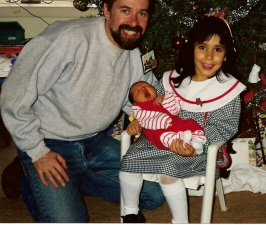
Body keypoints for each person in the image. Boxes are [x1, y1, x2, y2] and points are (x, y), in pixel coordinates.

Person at [0, 0, 165, 222]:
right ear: (106, 10)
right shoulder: (66, 39)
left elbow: (142, 98)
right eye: (125, 11)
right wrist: (37, 150)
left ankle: (69, 178)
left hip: (94, 141)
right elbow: (14, 94)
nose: (134, 22)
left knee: (153, 196)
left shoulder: (134, 49)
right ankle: (27, 171)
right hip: (49, 142)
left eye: (142, 13)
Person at [120, 15, 246, 223]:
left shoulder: (228, 89)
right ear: (192, 49)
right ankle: (130, 213)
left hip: (196, 146)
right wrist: (137, 121)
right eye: (203, 47)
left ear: (225, 55)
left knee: (168, 169)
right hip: (158, 140)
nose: (208, 57)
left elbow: (226, 127)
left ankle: (180, 221)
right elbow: (149, 106)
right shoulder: (173, 80)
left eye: (217, 49)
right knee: (129, 159)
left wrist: (195, 146)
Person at [129, 81, 207, 154]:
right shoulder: (138, 109)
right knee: (161, 137)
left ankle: (197, 141)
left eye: (146, 85)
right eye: (137, 90)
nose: (143, 88)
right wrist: (136, 121)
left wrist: (165, 99)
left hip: (176, 123)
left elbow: (175, 108)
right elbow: (140, 118)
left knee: (190, 122)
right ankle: (181, 143)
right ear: (134, 102)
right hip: (158, 130)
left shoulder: (162, 98)